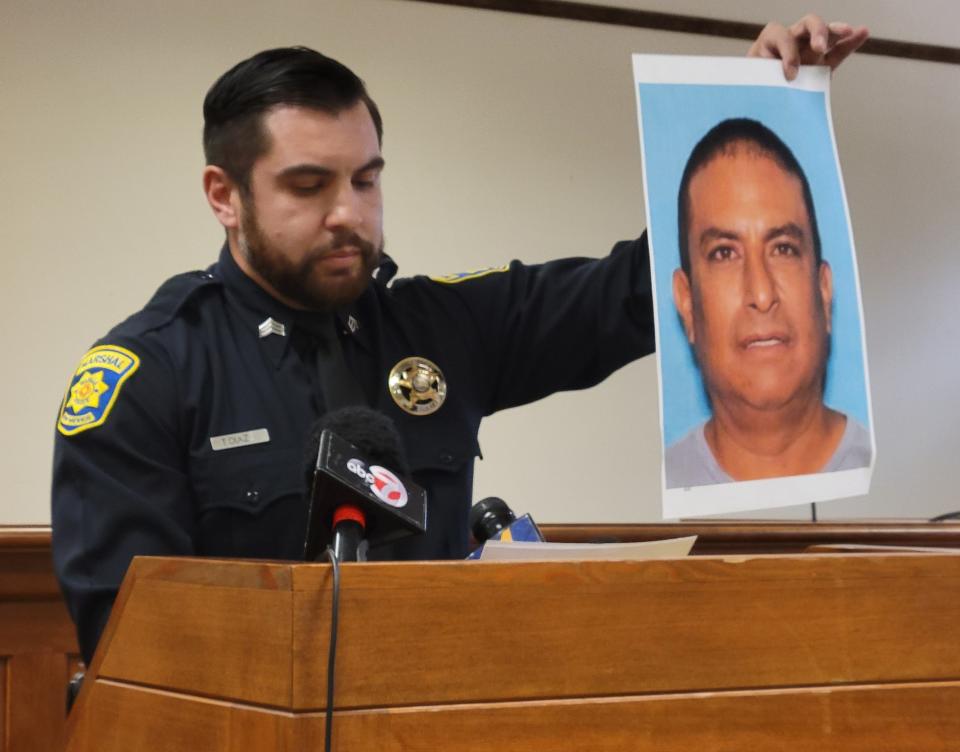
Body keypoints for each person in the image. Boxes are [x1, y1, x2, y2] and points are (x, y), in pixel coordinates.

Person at [51, 17, 869, 665]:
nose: (349, 213)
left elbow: (635, 291)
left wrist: (764, 105)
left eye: (367, 180)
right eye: (309, 186)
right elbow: (131, 651)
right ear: (223, 196)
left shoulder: (441, 327)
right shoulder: (151, 375)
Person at [666, 118, 871, 488]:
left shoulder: (895, 481)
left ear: (823, 292)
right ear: (687, 303)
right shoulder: (647, 499)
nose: (761, 294)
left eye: (783, 249)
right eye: (724, 253)